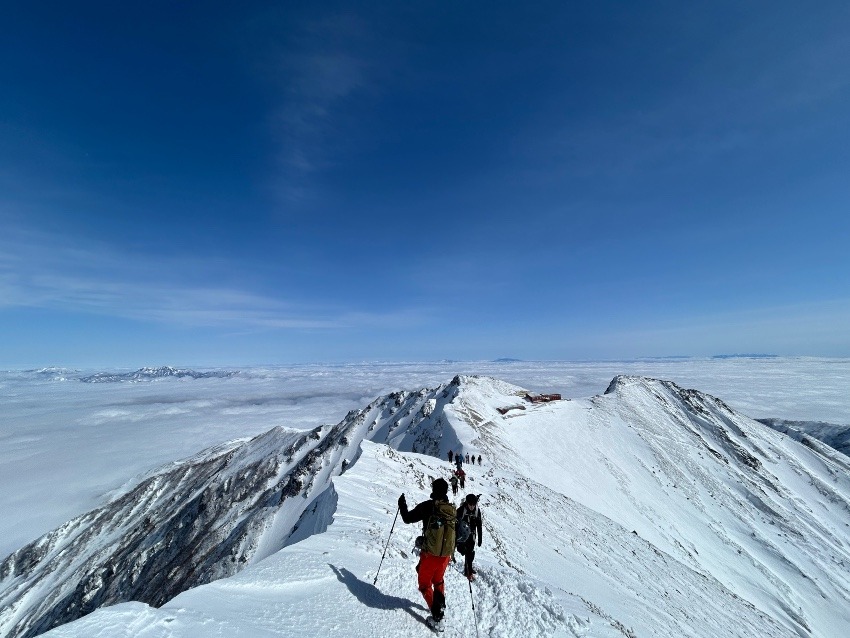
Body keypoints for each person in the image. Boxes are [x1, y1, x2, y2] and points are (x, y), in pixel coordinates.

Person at [398, 478, 455, 632]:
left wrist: (402, 505)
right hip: (445, 556)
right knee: (438, 580)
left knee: (424, 584)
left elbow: (407, 518)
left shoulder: (428, 506)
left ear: (434, 490)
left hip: (430, 555)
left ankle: (437, 618)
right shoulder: (451, 509)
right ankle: (440, 604)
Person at [456, 493, 483, 581]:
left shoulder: (477, 511)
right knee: (467, 552)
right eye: (470, 504)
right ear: (467, 503)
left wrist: (480, 539)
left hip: (472, 535)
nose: (471, 506)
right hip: (462, 535)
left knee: (470, 553)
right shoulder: (461, 510)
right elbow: (455, 524)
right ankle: (468, 572)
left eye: (473, 504)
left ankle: (468, 570)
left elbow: (479, 525)